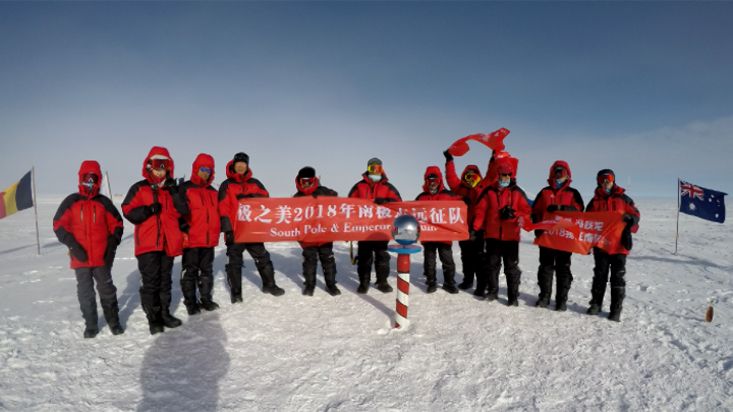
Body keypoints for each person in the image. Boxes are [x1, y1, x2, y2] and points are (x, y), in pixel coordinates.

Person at [53, 160, 124, 338]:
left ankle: (114, 322)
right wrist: (73, 245)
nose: (90, 183)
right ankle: (91, 325)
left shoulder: (104, 202)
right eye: (87, 179)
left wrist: (111, 247)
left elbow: (117, 224)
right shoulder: (72, 201)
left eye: (93, 179)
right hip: (80, 258)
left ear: (98, 180)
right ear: (81, 179)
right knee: (85, 293)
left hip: (102, 258)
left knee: (107, 290)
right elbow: (58, 224)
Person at [122, 146, 188, 334]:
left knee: (165, 280)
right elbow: (127, 210)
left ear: (168, 167)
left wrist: (175, 192)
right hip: (148, 244)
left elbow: (183, 211)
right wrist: (148, 210)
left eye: (164, 166)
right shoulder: (139, 187)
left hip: (168, 242)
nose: (160, 170)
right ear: (149, 166)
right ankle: (154, 318)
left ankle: (165, 314)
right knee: (151, 282)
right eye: (157, 165)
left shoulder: (173, 189)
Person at [219, 152, 284, 302]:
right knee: (234, 261)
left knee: (263, 257)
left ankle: (270, 284)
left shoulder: (255, 183)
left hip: (252, 229)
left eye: (244, 163)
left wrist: (252, 198)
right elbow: (223, 207)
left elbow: (266, 198)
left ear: (247, 165)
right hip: (235, 231)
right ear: (234, 165)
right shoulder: (226, 184)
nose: (241, 166)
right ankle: (236, 293)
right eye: (238, 163)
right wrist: (227, 229)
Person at [472, 156, 531, 305]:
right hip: (492, 236)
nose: (505, 177)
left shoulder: (517, 193)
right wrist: (475, 228)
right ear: (497, 175)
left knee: (511, 267)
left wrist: (516, 215)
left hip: (511, 237)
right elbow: (481, 212)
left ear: (511, 176)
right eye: (502, 175)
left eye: (507, 175)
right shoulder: (489, 192)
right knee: (492, 266)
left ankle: (513, 296)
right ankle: (492, 292)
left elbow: (527, 212)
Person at [585, 169, 640, 322]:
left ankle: (616, 310)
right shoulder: (594, 202)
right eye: (602, 179)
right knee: (600, 276)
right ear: (598, 181)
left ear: (613, 180)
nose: (606, 181)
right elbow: (586, 222)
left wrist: (631, 220)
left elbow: (636, 215)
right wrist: (586, 244)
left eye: (608, 178)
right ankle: (596, 304)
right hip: (601, 245)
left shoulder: (624, 199)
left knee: (617, 277)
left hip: (619, 245)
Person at [530, 161, 584, 311]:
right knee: (545, 268)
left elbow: (580, 211)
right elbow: (535, 211)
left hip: (565, 238)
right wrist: (538, 228)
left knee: (563, 269)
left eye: (561, 172)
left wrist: (562, 208)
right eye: (556, 172)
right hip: (547, 237)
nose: (558, 175)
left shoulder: (573, 193)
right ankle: (544, 297)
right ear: (551, 174)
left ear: (567, 174)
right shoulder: (544, 192)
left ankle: (561, 300)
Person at [348, 157, 402, 294]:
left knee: (382, 256)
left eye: (378, 168)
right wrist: (349, 227)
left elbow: (399, 204)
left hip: (381, 230)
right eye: (372, 168)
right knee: (364, 257)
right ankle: (364, 282)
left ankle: (382, 281)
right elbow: (348, 205)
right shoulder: (359, 186)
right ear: (368, 169)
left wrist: (386, 201)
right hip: (364, 230)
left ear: (382, 169)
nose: (375, 172)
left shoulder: (388, 187)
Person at [179, 153, 221, 315]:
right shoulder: (185, 188)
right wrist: (184, 229)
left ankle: (205, 299)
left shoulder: (213, 191)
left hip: (209, 239)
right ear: (196, 169)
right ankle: (190, 302)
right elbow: (177, 210)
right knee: (190, 271)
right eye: (203, 169)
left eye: (209, 170)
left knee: (207, 270)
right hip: (191, 238)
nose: (205, 173)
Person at [293, 166, 341, 296]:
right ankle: (310, 285)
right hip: (307, 236)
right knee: (309, 261)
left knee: (328, 259)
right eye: (304, 181)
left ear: (314, 180)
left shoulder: (323, 191)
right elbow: (293, 218)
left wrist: (327, 196)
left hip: (325, 234)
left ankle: (331, 285)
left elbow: (338, 201)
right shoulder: (296, 198)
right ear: (299, 181)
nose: (306, 183)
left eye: (309, 180)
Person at [415, 166, 460, 294]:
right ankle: (431, 282)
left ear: (440, 180)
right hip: (428, 235)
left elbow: (461, 206)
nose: (432, 182)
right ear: (426, 181)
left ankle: (449, 282)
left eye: (435, 179)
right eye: (430, 180)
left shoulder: (449, 195)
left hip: (444, 236)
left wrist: (465, 201)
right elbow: (412, 211)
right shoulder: (421, 197)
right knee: (429, 260)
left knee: (447, 260)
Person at [443, 150, 484, 290]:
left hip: (479, 229)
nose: (471, 179)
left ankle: (481, 284)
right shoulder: (459, 188)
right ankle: (468, 280)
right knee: (466, 256)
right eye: (468, 175)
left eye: (474, 176)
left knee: (479, 257)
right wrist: (449, 161)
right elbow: (450, 177)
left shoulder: (482, 189)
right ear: (464, 176)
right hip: (463, 228)